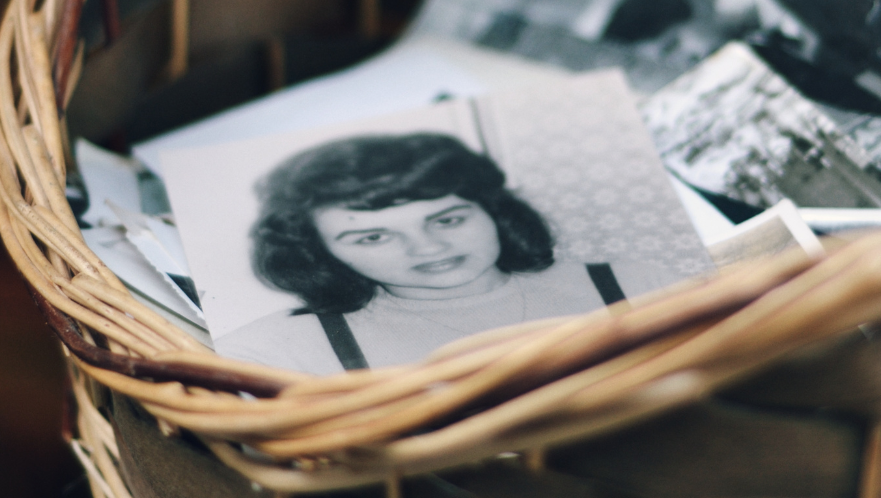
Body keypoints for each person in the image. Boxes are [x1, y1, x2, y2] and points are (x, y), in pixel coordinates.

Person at [214, 131, 671, 373]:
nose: (428, 247)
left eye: (448, 219)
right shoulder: (284, 350)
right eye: (373, 236)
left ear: (493, 211)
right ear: (319, 251)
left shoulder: (636, 284)